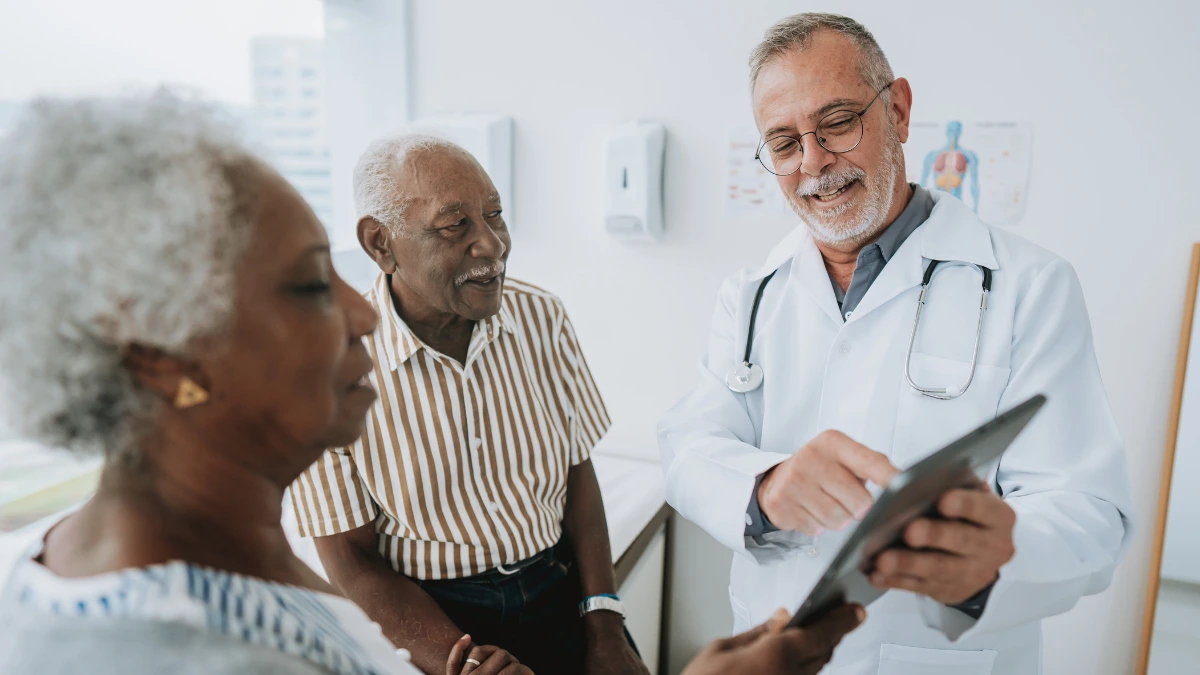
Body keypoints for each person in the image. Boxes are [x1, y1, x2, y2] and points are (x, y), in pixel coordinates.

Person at [657, 12, 1135, 675]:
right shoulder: (752, 293)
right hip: (777, 650)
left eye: (838, 123)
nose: (814, 162)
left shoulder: (1032, 286)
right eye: (785, 142)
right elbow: (685, 446)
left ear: (900, 111)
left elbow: (1092, 515)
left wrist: (1005, 549)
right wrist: (766, 488)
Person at [0, 93, 421, 675]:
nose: (365, 315)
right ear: (161, 352)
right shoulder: (202, 658)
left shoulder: (82, 558)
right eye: (309, 285)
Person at [289, 134, 642, 675]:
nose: (492, 245)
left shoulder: (541, 317)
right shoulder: (324, 367)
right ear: (380, 244)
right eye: (456, 225)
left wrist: (604, 624)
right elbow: (350, 561)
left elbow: (578, 475)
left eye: (495, 215)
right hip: (430, 617)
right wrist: (466, 664)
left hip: (559, 589)